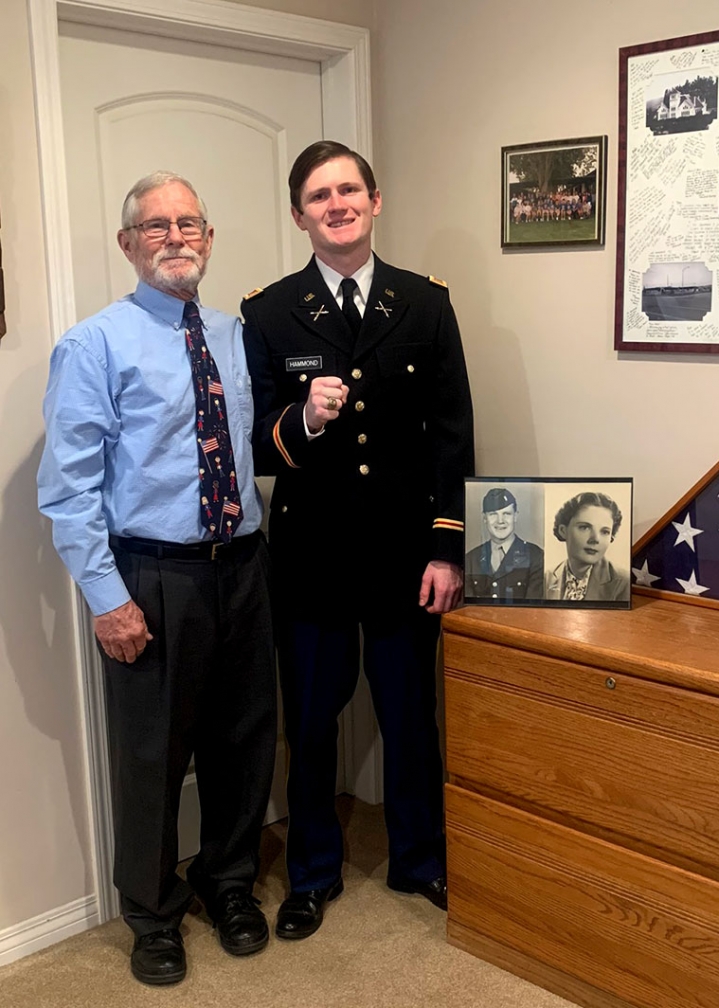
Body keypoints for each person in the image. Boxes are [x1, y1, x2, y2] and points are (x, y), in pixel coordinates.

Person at [37, 172, 277, 986]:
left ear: (208, 238)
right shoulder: (93, 345)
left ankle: (229, 880)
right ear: (128, 243)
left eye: (190, 224)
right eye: (156, 226)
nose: (175, 238)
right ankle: (152, 911)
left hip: (242, 566)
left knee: (244, 741)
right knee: (152, 755)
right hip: (152, 574)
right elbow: (68, 491)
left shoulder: (238, 336)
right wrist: (108, 599)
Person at [241, 141, 474, 939]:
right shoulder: (269, 311)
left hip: (409, 561)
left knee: (413, 720)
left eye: (348, 190)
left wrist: (447, 549)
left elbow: (453, 436)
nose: (335, 205)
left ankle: (419, 858)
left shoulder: (425, 302)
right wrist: (304, 421)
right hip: (312, 564)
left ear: (376, 201)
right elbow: (257, 447)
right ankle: (310, 873)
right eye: (317, 195)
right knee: (308, 728)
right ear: (299, 214)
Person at [546, 491, 628, 601]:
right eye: (585, 527)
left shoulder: (623, 583)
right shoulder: (545, 578)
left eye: (605, 532)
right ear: (563, 530)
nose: (595, 539)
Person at [465, 487, 543, 600]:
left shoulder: (536, 556)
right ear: (484, 518)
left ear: (515, 516)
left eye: (506, 514)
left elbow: (533, 609)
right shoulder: (471, 558)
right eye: (493, 514)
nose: (500, 521)